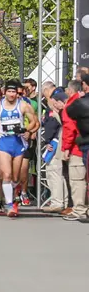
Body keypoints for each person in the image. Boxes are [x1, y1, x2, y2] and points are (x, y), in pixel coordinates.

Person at [0, 81, 38, 217]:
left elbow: (35, 121)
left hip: (18, 143)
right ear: (5, 92)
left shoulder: (23, 105)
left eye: (14, 92)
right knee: (6, 175)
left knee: (16, 177)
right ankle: (10, 205)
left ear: (17, 93)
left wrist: (26, 129)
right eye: (9, 92)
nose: (12, 94)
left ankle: (14, 194)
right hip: (4, 142)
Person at [61, 80, 87, 221]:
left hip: (77, 148)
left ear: (70, 91)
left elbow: (69, 129)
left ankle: (79, 210)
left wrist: (66, 148)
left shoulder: (72, 105)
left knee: (77, 180)